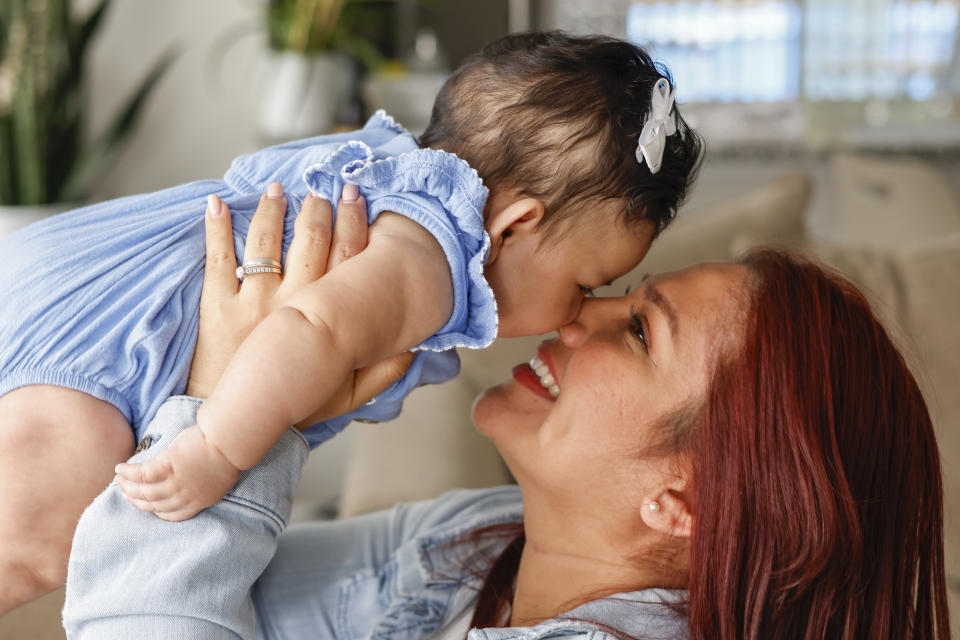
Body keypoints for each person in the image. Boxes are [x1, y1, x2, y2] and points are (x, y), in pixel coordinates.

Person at [0, 31, 704, 613]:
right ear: (517, 226)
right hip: (116, 353)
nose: (581, 313)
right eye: (586, 284)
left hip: (76, 281)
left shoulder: (403, 178)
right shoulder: (432, 260)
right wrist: (215, 448)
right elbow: (312, 327)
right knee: (38, 539)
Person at [63, 184, 949, 639]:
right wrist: (274, 406)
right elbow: (207, 597)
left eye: (640, 333)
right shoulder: (486, 544)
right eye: (621, 297)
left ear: (688, 502)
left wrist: (226, 403)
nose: (575, 315)